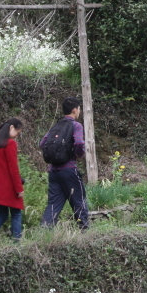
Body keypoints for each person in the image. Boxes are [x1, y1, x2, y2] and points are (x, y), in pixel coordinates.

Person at [40, 98, 90, 230]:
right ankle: (84, 231)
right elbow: (79, 142)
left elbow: (42, 143)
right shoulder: (76, 125)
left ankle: (44, 231)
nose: (79, 111)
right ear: (75, 110)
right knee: (79, 201)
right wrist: (78, 154)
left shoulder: (56, 126)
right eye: (79, 109)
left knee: (53, 204)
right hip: (69, 170)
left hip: (53, 172)